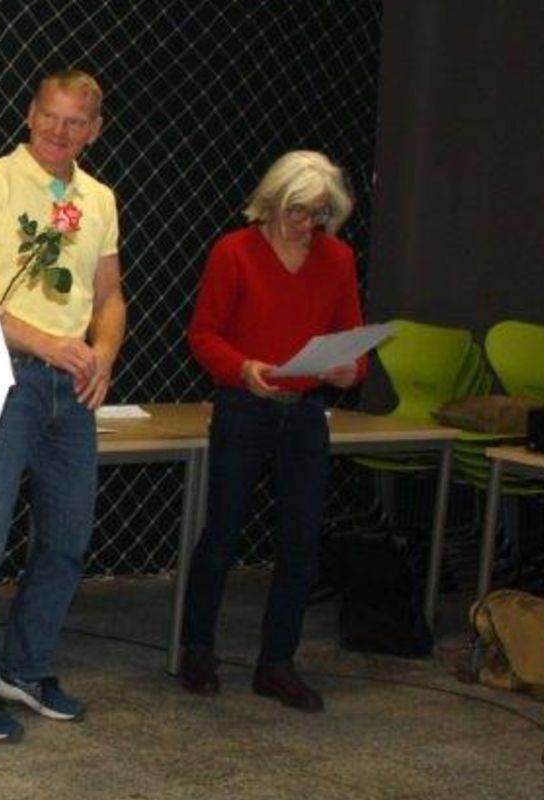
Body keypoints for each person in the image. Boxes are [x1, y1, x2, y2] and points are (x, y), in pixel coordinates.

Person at [0, 69, 127, 743]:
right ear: (29, 113)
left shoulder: (99, 198)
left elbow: (110, 295)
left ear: (95, 130)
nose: (59, 131)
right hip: (3, 377)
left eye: (75, 122)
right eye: (49, 115)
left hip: (71, 387)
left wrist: (102, 354)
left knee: (68, 540)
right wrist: (51, 344)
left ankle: (26, 667)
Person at [179, 150, 364, 713]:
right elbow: (204, 335)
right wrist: (243, 369)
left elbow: (353, 337)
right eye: (296, 211)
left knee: (301, 545)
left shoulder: (337, 258)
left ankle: (277, 663)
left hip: (305, 413)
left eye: (318, 213)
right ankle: (197, 649)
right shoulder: (234, 251)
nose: (305, 224)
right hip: (244, 407)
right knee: (222, 536)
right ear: (272, 202)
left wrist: (350, 369)